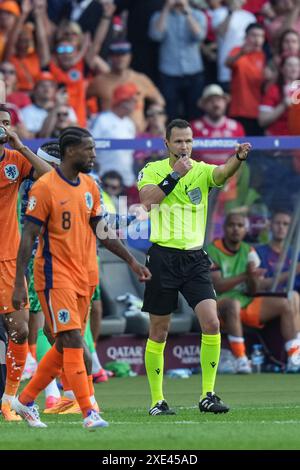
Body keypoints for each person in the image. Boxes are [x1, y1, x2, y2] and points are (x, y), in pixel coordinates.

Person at [11, 126, 151, 428]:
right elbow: (28, 236)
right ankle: (89, 411)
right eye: (89, 149)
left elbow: (102, 230)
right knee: (73, 338)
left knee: (64, 344)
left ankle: (24, 401)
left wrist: (131, 262)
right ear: (70, 151)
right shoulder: (44, 187)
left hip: (85, 275)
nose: (94, 155)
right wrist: (17, 282)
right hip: (53, 275)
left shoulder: (89, 185)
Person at [137, 118, 252, 415]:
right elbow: (148, 200)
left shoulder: (201, 170)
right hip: (163, 257)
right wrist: (174, 175)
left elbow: (223, 173)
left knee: (212, 322)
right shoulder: (153, 170)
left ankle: (208, 395)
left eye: (188, 141)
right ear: (167, 143)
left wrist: (237, 158)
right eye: (178, 141)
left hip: (194, 257)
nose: (185, 146)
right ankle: (157, 401)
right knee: (159, 330)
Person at [0, 104, 52, 421]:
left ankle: (9, 400)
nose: (2, 127)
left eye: (7, 123)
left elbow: (51, 177)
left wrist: (21, 146)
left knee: (18, 330)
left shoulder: (15, 161)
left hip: (7, 259)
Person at [207, 212, 300, 373]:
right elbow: (219, 286)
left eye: (240, 226)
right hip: (218, 303)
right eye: (232, 225)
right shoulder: (212, 250)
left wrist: (254, 279)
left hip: (246, 301)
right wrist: (246, 275)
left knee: (286, 303)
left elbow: (253, 291)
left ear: (245, 230)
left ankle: (294, 357)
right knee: (233, 304)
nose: (236, 229)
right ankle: (241, 359)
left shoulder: (249, 250)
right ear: (224, 228)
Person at [256, 210, 300, 294]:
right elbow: (258, 285)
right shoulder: (259, 253)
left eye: (285, 224)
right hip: (269, 299)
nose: (281, 227)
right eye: (277, 223)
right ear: (270, 225)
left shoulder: (296, 255)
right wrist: (292, 271)